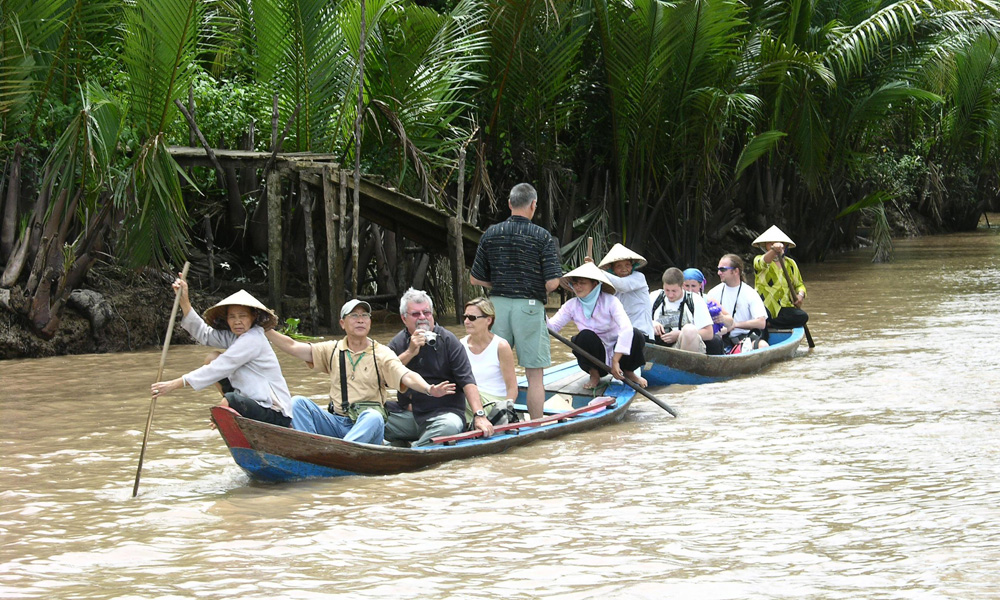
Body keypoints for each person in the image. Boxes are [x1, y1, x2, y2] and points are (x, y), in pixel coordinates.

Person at [265, 299, 456, 444]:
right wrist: (265, 329)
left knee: (373, 416)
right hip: (337, 422)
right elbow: (292, 347)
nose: (360, 320)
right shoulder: (331, 349)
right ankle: (309, 448)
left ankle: (342, 452)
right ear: (342, 323)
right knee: (298, 402)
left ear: (370, 322)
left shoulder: (381, 353)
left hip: (366, 426)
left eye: (365, 316)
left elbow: (406, 375)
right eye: (354, 316)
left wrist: (429, 389)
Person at [470, 183, 563, 420]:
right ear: (533, 205)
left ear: (510, 204)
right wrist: (529, 286)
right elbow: (553, 283)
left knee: (496, 368)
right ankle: (536, 425)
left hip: (496, 307)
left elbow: (475, 278)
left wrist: (501, 285)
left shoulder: (491, 233)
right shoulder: (542, 236)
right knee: (534, 375)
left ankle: (491, 419)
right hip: (530, 308)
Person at [150, 281, 293, 427]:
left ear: (253, 316)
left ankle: (228, 411)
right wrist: (184, 301)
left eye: (242, 316)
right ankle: (229, 411)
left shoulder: (253, 339)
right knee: (212, 358)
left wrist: (174, 384)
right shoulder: (235, 337)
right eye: (232, 317)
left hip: (274, 411)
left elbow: (220, 367)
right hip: (251, 400)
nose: (237, 321)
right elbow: (204, 334)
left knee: (230, 400)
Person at [387, 288, 495, 446]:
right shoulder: (398, 342)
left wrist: (479, 415)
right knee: (371, 417)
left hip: (443, 415)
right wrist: (410, 352)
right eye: (416, 314)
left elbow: (467, 381)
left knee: (449, 427)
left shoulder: (448, 340)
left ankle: (411, 451)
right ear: (404, 318)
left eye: (427, 313)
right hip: (409, 416)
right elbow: (382, 377)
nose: (422, 318)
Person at [547, 262, 647, 390]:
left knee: (636, 334)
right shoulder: (571, 305)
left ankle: (628, 372)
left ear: (594, 284)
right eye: (575, 283)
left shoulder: (611, 301)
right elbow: (552, 327)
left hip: (620, 356)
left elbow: (626, 328)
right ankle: (594, 375)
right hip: (595, 359)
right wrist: (539, 309)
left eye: (582, 283)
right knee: (584, 336)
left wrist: (616, 361)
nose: (578, 287)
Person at [461, 297, 518, 425]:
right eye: (465, 317)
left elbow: (512, 387)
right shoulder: (461, 345)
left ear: (488, 320)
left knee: (458, 394)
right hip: (470, 399)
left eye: (472, 318)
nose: (466, 321)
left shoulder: (501, 346)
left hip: (493, 403)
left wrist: (505, 412)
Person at [706, 254, 769, 351]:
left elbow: (761, 323)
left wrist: (735, 325)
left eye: (723, 270)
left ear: (736, 271)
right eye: (718, 269)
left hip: (743, 337)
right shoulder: (713, 292)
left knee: (763, 346)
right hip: (720, 337)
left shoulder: (750, 293)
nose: (718, 273)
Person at [752, 225, 809, 329]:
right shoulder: (758, 259)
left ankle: (769, 325)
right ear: (765, 246)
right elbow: (763, 262)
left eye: (779, 243)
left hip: (784, 306)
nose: (776, 245)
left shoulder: (791, 264)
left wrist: (800, 295)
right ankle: (764, 325)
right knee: (762, 317)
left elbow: (800, 285)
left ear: (785, 246)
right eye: (770, 243)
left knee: (802, 316)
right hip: (764, 306)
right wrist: (774, 251)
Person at [595, 243, 654, 339]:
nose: (624, 269)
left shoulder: (639, 277)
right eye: (619, 266)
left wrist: (596, 271)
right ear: (612, 269)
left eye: (627, 265)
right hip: (621, 335)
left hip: (641, 334)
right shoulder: (609, 286)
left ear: (632, 266)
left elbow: (622, 285)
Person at [648, 268, 714, 353]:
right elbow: (638, 320)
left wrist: (680, 334)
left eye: (674, 291)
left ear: (682, 286)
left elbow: (709, 333)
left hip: (686, 346)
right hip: (659, 346)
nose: (670, 295)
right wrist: (651, 323)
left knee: (689, 330)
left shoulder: (695, 299)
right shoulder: (654, 296)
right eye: (667, 290)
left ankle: (686, 365)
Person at [683, 267, 725, 355]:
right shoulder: (676, 298)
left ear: (700, 286)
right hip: (685, 335)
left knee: (716, 340)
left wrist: (722, 318)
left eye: (693, 286)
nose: (690, 290)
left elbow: (730, 322)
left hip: (704, 336)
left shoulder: (708, 300)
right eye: (687, 286)